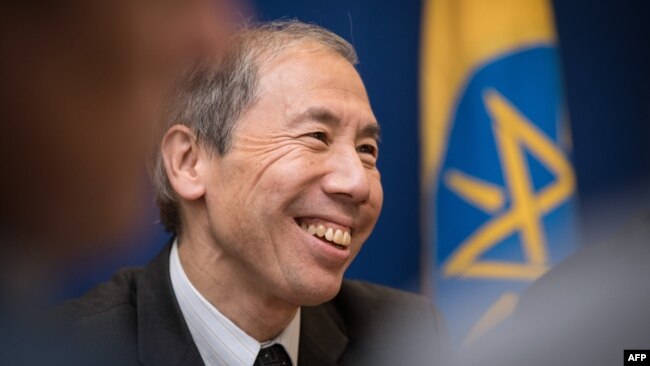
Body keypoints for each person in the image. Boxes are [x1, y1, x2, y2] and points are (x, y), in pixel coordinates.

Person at [56, 21, 448, 365]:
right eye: (317, 137)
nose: (358, 183)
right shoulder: (71, 350)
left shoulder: (404, 339)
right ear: (190, 162)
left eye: (367, 151)